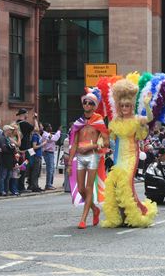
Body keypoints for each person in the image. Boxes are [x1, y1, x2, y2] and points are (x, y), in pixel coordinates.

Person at [101, 79, 157, 228]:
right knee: (115, 185)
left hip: (132, 156)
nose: (125, 107)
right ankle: (121, 215)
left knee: (127, 184)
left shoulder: (137, 119)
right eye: (122, 105)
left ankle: (139, 212)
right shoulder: (116, 121)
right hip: (119, 157)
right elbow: (107, 136)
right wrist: (101, 141)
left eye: (127, 105)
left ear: (131, 106)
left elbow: (150, 119)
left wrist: (146, 104)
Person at [68, 89, 109, 229]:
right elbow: (74, 143)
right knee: (80, 189)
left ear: (94, 106)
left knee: (88, 187)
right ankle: (95, 209)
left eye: (90, 103)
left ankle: (83, 219)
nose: (86, 104)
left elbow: (106, 142)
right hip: (80, 157)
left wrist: (90, 147)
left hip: (93, 156)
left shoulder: (98, 121)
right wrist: (69, 163)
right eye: (85, 102)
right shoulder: (78, 123)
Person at [15, 108, 39, 193]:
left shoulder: (16, 123)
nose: (27, 115)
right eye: (27, 114)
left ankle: (18, 186)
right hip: (25, 149)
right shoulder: (25, 124)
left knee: (19, 167)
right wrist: (35, 120)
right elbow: (36, 129)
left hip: (19, 149)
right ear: (24, 114)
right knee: (23, 168)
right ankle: (21, 187)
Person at [42, 123, 61, 190]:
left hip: (50, 153)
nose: (51, 127)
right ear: (46, 128)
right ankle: (48, 184)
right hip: (48, 153)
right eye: (49, 126)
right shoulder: (45, 134)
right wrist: (59, 131)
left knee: (52, 169)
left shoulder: (48, 134)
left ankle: (50, 184)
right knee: (50, 169)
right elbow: (55, 138)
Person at [28, 126, 46, 192]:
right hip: (36, 155)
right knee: (35, 172)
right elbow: (34, 146)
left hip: (39, 155)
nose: (41, 127)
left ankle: (35, 185)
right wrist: (43, 144)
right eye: (40, 126)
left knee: (37, 171)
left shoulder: (38, 135)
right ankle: (34, 186)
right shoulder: (35, 136)